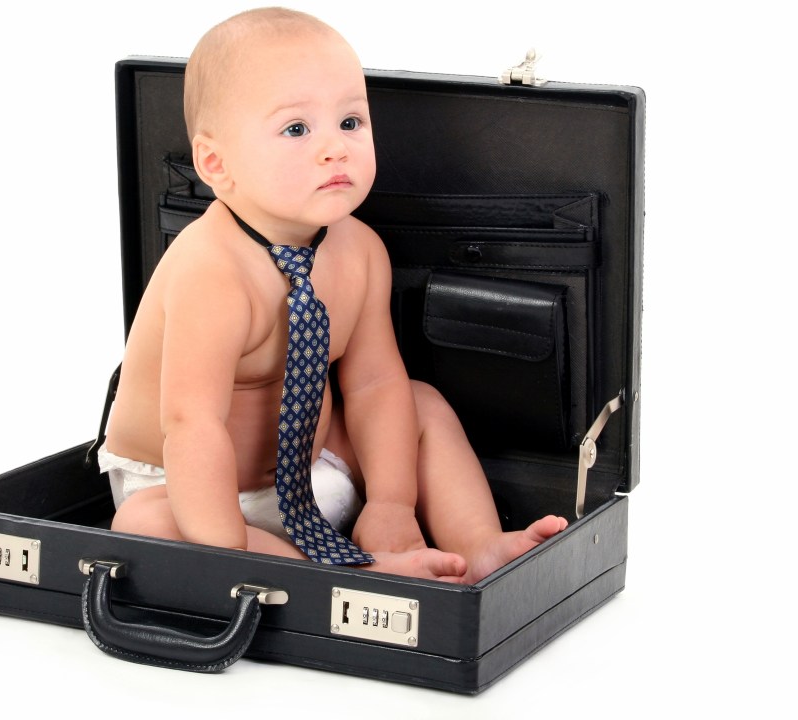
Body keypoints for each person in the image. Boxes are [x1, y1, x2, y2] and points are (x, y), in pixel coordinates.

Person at [100, 6, 567, 583]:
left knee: (419, 403)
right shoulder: (210, 269)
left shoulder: (360, 250)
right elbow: (191, 424)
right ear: (216, 164)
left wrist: (391, 501)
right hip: (191, 491)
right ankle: (339, 576)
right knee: (145, 524)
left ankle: (477, 546)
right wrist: (224, 550)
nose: (335, 148)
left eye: (350, 122)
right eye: (297, 129)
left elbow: (373, 384)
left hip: (312, 471)